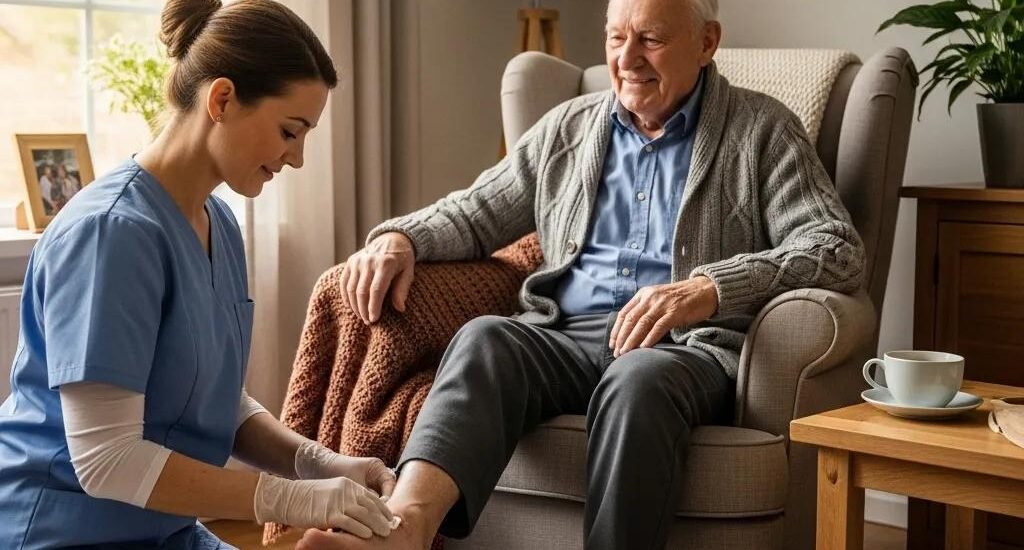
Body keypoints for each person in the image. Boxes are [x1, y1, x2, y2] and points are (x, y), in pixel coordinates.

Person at [300, 0, 865, 549]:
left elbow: (836, 248)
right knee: (485, 338)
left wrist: (709, 287)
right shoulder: (568, 128)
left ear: (707, 43)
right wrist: (400, 237)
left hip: (681, 350)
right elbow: (476, 212)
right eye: (616, 38)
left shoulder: (763, 131)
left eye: (651, 38)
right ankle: (404, 532)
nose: (628, 58)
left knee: (635, 381)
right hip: (564, 336)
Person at [0, 1, 398, 548]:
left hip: (168, 531)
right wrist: (287, 498)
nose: (297, 158)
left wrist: (318, 464)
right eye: (289, 131)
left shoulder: (217, 224)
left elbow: (209, 396)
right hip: (63, 532)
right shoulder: (111, 234)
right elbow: (106, 459)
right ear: (223, 98)